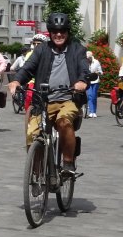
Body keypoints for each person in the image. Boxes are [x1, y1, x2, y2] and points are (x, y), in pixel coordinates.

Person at [8, 13, 89, 175]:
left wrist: (82, 82)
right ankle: (37, 174)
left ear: (68, 32)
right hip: (43, 101)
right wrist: (16, 81)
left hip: (69, 99)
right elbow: (28, 68)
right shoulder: (41, 50)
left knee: (64, 122)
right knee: (33, 134)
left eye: (62, 31)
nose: (59, 35)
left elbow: (84, 69)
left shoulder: (77, 49)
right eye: (55, 31)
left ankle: (68, 163)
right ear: (50, 33)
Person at [85, 50, 102, 118]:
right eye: (87, 58)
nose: (88, 59)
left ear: (91, 57)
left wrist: (98, 72)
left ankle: (94, 111)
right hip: (88, 81)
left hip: (95, 81)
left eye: (89, 57)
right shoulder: (85, 62)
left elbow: (101, 71)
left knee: (94, 96)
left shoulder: (96, 62)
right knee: (90, 96)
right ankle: (91, 111)